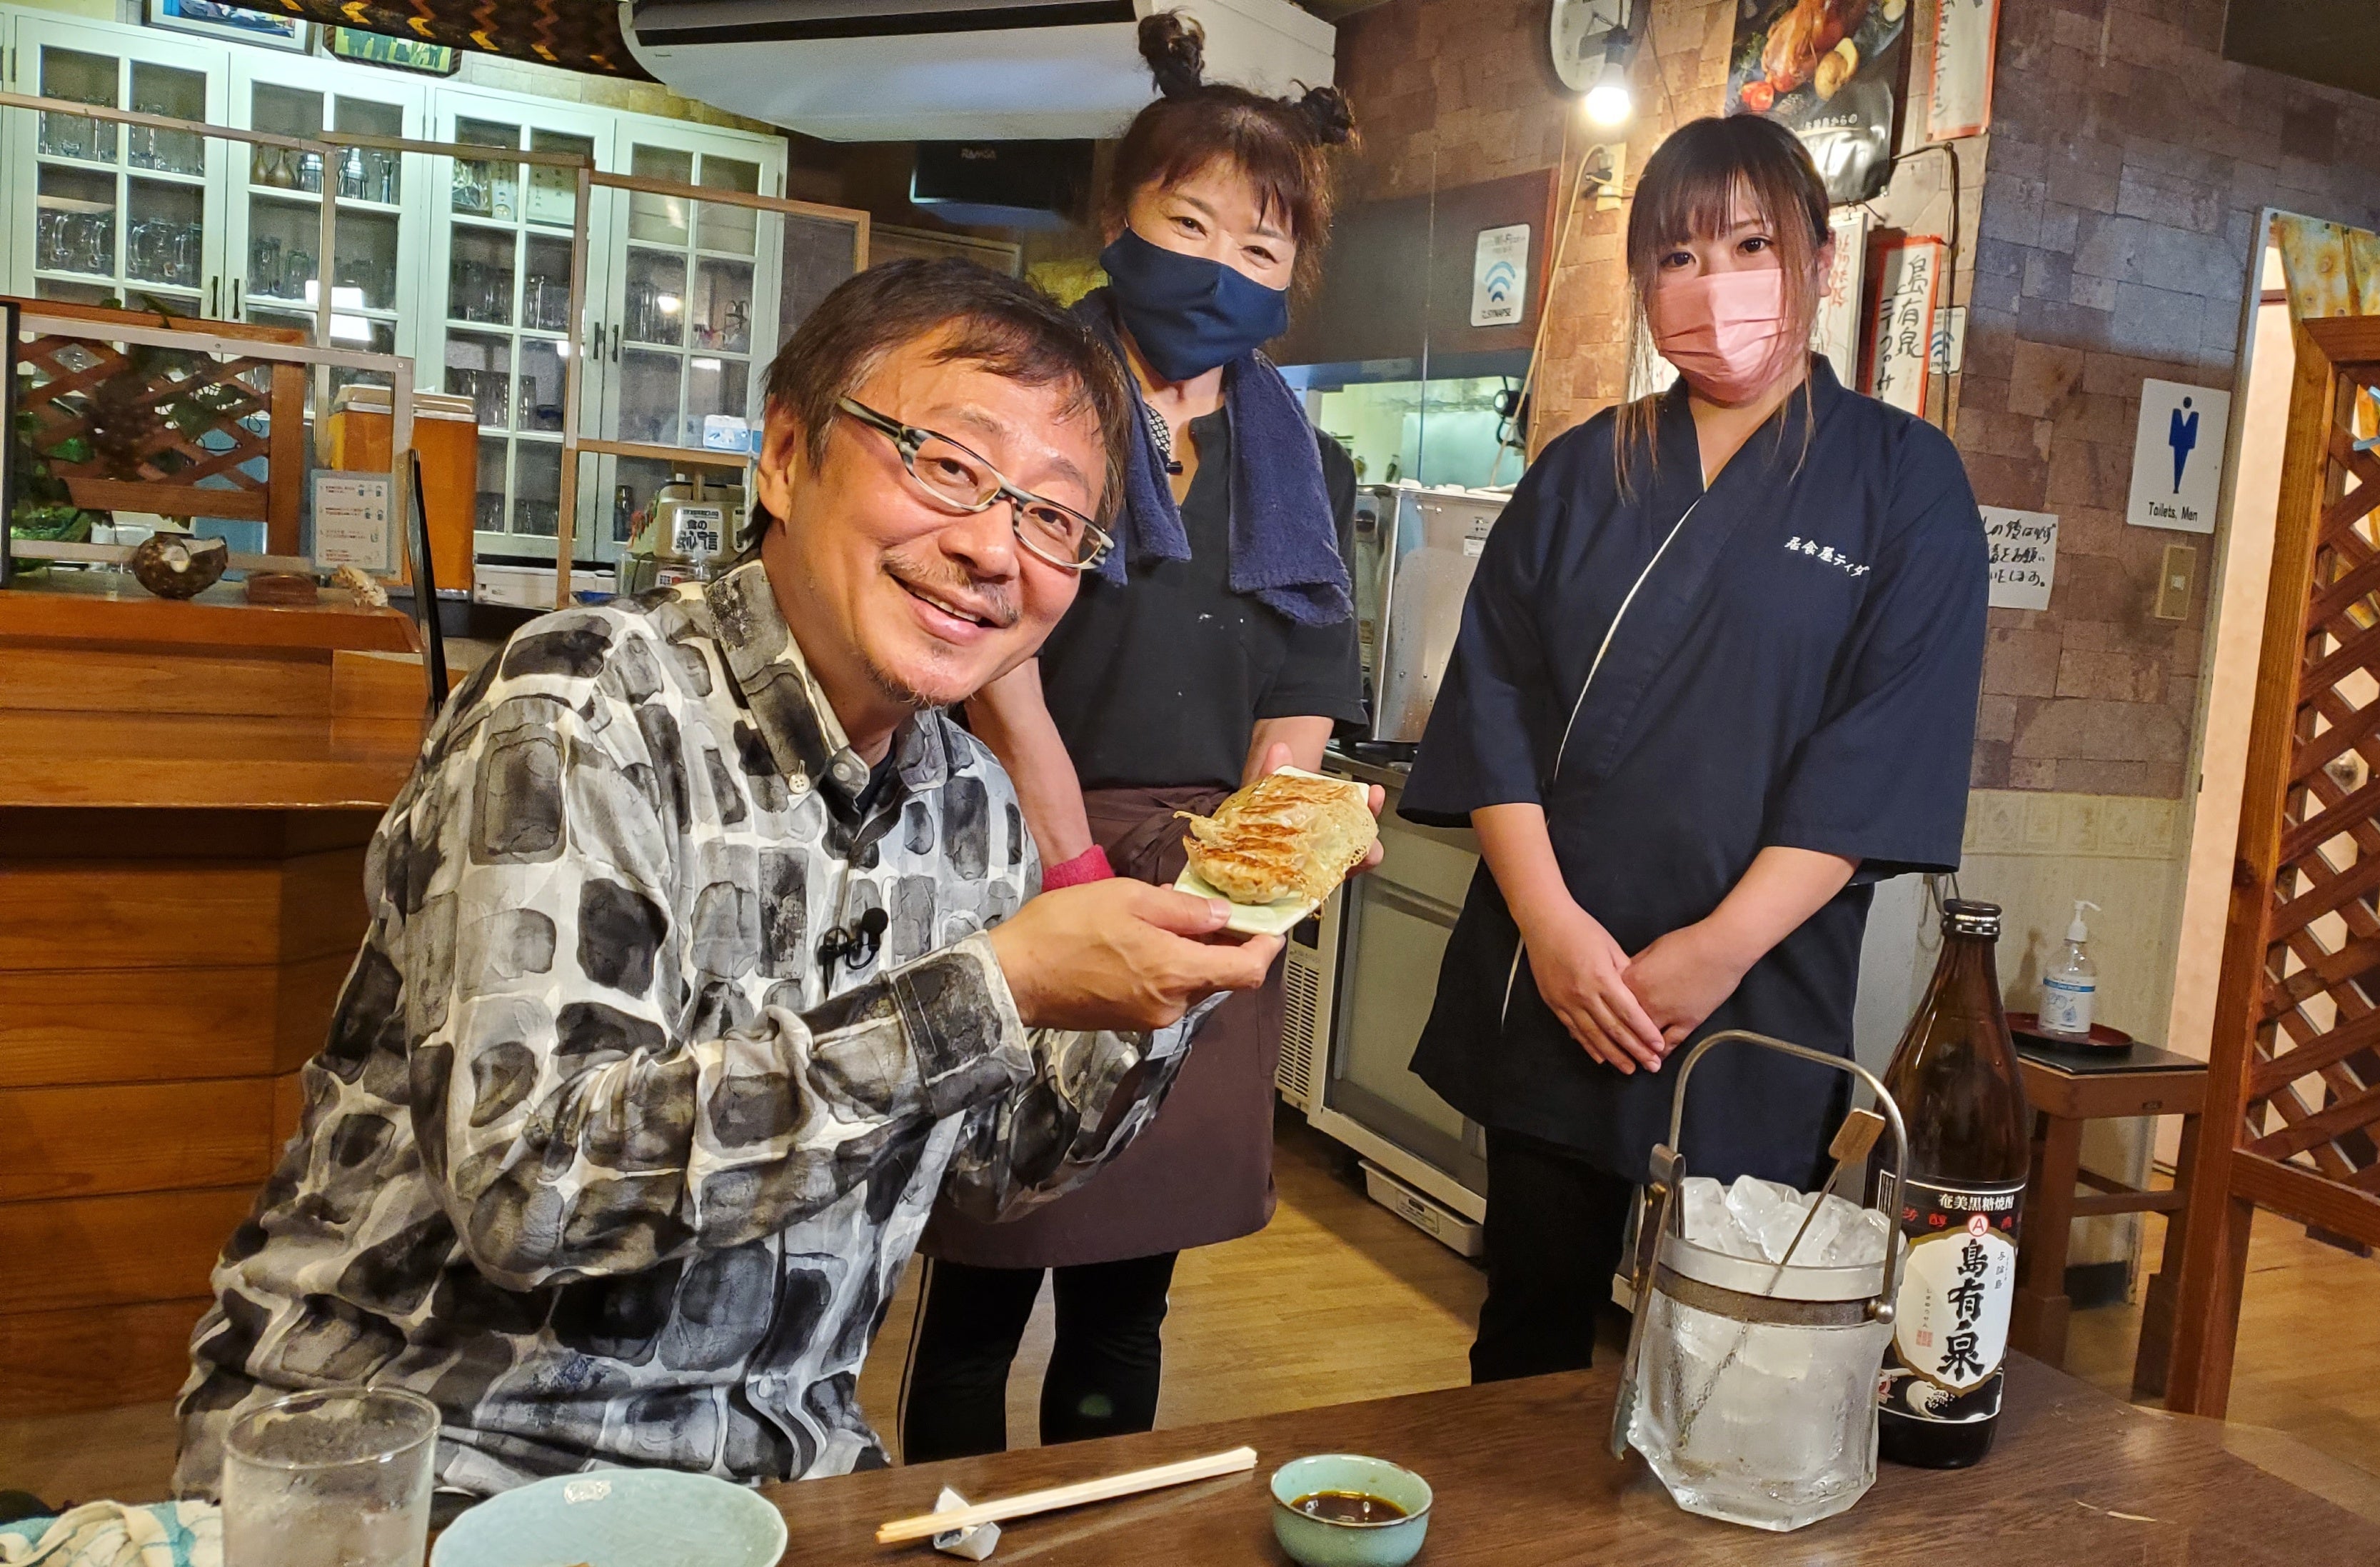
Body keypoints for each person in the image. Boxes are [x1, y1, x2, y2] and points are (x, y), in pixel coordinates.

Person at [172, 259, 1288, 1503]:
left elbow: (995, 1166)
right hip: (434, 1453)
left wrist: (1187, 962)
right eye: (949, 466)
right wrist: (995, 984)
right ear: (787, 454)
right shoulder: (581, 711)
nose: (990, 547)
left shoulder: (968, 802)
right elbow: (530, 1189)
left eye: (1053, 518)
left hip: (774, 1474)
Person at [1400, 115, 1986, 1383]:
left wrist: (1716, 951)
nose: (1712, 284)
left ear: (1821, 262)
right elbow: (1490, 702)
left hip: (1752, 994)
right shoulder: (1578, 472)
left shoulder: (1905, 485)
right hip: (1561, 980)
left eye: (1750, 244)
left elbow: (1880, 747)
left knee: (1721, 1357)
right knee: (1528, 1339)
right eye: (1676, 255)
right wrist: (1554, 933)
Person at [900, 12, 1365, 1460]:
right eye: (1190, 221)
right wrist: (1074, 861)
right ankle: (945, 1538)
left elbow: (1299, 698)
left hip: (1202, 879)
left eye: (1264, 246)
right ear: (1118, 218)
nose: (1224, 266)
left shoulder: (1302, 458)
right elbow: (997, 660)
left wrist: (1255, 889)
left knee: (1128, 1293)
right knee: (984, 1271)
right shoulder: (1039, 411)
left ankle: (1102, 1537)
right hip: (1018, 853)